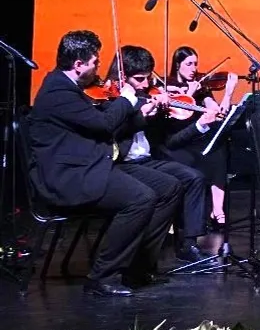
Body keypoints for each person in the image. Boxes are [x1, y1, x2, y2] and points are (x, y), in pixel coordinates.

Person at [26, 30, 183, 296]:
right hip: (69, 176)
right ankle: (103, 276)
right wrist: (126, 99)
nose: (99, 66)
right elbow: (104, 124)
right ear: (79, 64)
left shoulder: (71, 88)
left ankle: (138, 266)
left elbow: (103, 129)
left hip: (92, 164)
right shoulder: (58, 91)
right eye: (95, 61)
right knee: (141, 198)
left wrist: (141, 115)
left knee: (169, 187)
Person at [106, 45, 217, 264]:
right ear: (121, 77)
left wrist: (157, 112)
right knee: (169, 186)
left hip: (147, 159)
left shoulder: (147, 96)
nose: (145, 85)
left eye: (147, 78)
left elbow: (165, 137)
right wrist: (139, 112)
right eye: (139, 79)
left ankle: (189, 244)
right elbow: (111, 131)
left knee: (194, 177)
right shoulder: (112, 101)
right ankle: (145, 253)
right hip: (123, 164)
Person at [165, 46, 239, 230]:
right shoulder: (168, 85)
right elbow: (177, 114)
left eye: (195, 64)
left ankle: (217, 210)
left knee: (218, 148)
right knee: (206, 154)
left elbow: (219, 114)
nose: (194, 69)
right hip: (179, 139)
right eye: (189, 64)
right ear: (177, 65)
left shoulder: (202, 88)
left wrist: (228, 93)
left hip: (198, 138)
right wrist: (189, 93)